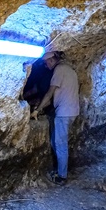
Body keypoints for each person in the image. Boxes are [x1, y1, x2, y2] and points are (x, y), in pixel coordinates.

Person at [31, 51, 80, 185]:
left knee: (60, 144)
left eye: (47, 63)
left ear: (52, 60)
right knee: (56, 142)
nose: (46, 66)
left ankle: (61, 177)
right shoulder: (70, 70)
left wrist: (37, 110)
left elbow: (49, 93)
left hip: (64, 112)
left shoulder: (59, 70)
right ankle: (60, 170)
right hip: (72, 111)